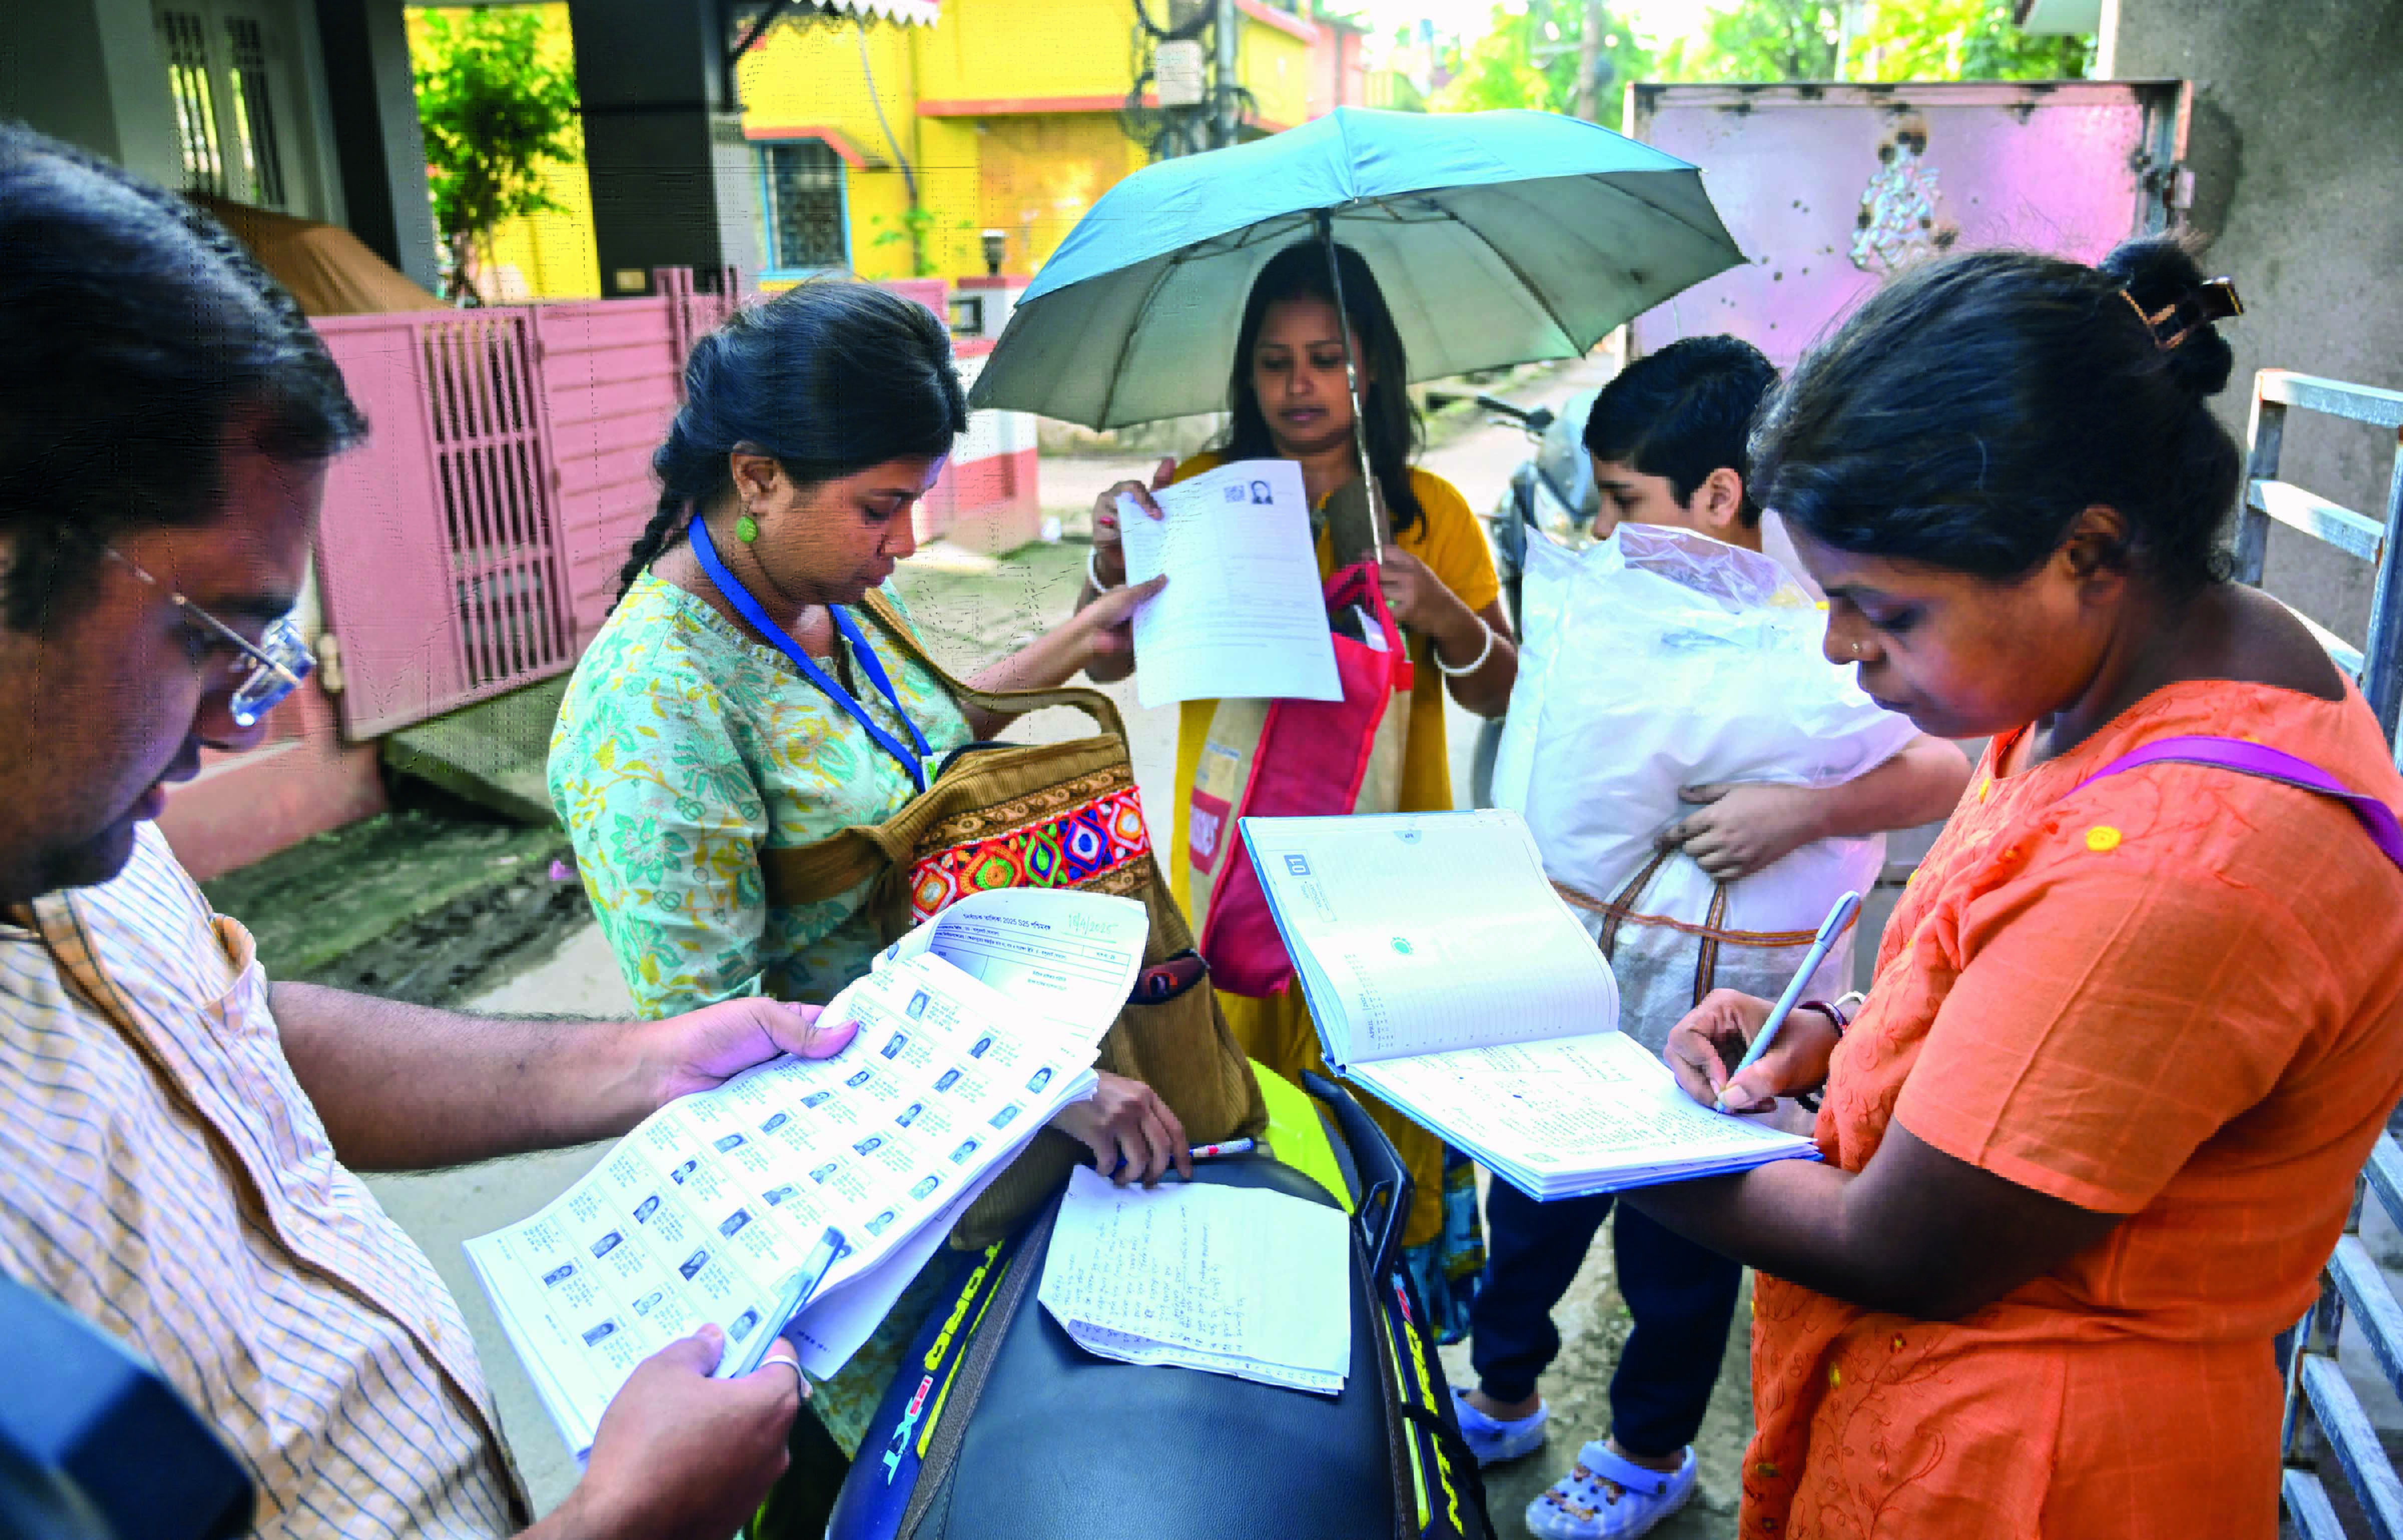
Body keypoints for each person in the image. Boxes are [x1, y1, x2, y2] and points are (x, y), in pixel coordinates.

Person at [0, 124, 843, 1539]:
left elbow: (234, 1027)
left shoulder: (75, 830)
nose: (249, 721)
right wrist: (620, 1528)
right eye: (214, 634)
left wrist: (636, 1060)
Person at [1623, 238, 2403, 1537]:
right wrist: (1838, 1033)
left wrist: (1596, 1152)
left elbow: (1907, 1242)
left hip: (2032, 1475)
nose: (1840, 650)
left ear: (2088, 552)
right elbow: (2024, 983)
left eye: (1885, 611)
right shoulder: (2111, 681)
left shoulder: (2184, 857)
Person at [546, 279, 1190, 1494]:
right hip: (855, 1230)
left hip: (977, 1143)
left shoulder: (829, 599)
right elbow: (719, 1054)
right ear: (755, 476)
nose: (902, 542)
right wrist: (1026, 1085)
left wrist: (1072, 642)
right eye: (879, 508)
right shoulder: (654, 708)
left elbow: (897, 739)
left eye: (913, 504)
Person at [1454, 337, 1971, 1540]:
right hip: (1577, 985)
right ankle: (1504, 1387)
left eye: (1629, 500)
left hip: (1732, 1005)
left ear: (1720, 496)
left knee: (1681, 1241)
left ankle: (1649, 1451)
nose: (1612, 530)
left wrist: (1808, 806)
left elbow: (1949, 764)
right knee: (1527, 1207)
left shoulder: (1823, 636)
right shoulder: (1601, 613)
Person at [1082, 239, 1517, 1332]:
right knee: (1233, 1106)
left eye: (1327, 357)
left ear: (1372, 365)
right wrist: (1109, 557)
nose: (1299, 386)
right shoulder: (1196, 495)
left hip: (1383, 887)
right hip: (1224, 882)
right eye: (1276, 361)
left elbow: (1500, 687)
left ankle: (1388, 1355)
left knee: (1372, 1097)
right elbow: (1112, 659)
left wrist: (1445, 617)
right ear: (1247, 372)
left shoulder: (1433, 515)